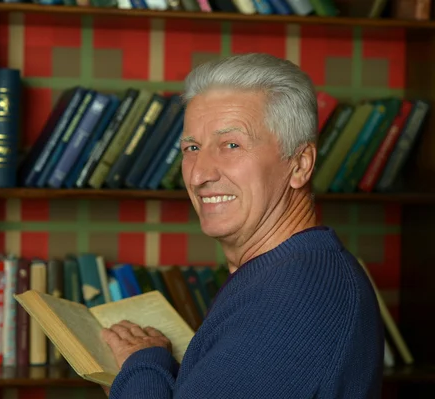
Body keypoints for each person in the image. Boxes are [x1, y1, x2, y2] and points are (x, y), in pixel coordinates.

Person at [100, 53, 384, 398]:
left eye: (231, 145)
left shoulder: (294, 294)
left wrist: (142, 362)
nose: (200, 174)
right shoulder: (279, 272)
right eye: (192, 147)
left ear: (300, 164)